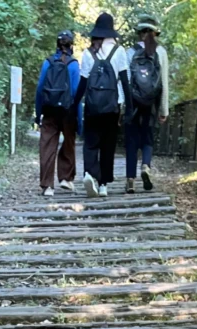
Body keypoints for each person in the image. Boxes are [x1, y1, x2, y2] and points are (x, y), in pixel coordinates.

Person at [73, 12, 133, 198]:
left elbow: (83, 83)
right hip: (112, 107)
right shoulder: (119, 51)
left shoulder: (88, 53)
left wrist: (74, 104)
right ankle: (104, 184)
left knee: (90, 143)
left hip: (92, 107)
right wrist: (129, 107)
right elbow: (125, 81)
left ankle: (90, 174)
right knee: (108, 144)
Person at [125, 14, 169, 193]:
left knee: (131, 140)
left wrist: (124, 107)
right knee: (148, 138)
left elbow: (126, 81)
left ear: (139, 33)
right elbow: (164, 82)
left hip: (133, 102)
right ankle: (145, 166)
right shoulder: (161, 52)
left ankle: (130, 181)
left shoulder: (130, 52)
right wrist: (164, 109)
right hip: (152, 102)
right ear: (154, 33)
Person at [34, 30, 80, 197]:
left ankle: (47, 186)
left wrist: (38, 113)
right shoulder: (74, 64)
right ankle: (66, 178)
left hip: (49, 110)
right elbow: (76, 93)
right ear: (71, 45)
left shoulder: (48, 62)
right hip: (68, 111)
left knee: (47, 145)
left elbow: (40, 89)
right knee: (69, 142)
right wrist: (79, 121)